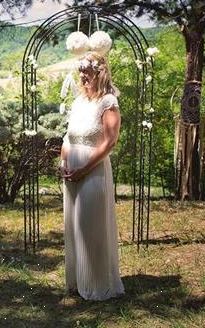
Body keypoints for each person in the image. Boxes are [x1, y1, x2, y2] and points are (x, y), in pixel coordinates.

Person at [61, 51, 125, 301]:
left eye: (87, 71)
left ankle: (97, 284)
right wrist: (64, 162)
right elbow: (68, 136)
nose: (83, 76)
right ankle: (78, 281)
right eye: (80, 71)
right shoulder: (78, 102)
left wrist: (83, 170)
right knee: (73, 225)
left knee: (91, 225)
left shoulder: (108, 102)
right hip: (71, 169)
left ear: (100, 72)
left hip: (93, 170)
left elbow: (110, 142)